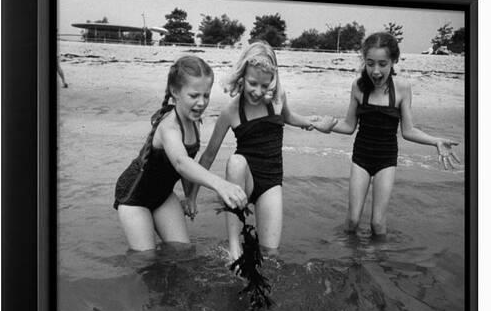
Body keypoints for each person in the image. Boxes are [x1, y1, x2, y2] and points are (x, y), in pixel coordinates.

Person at [186, 41, 336, 260]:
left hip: (270, 182)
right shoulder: (231, 111)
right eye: (252, 83)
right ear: (242, 76)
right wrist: (192, 196)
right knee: (236, 161)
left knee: (270, 253)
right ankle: (234, 249)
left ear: (272, 81)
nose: (257, 91)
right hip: (243, 180)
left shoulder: (277, 99)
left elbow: (289, 117)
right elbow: (209, 155)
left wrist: (314, 123)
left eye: (264, 86)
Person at [329, 32, 460, 237]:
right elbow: (348, 125)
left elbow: (408, 131)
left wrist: (435, 141)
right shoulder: (358, 87)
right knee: (353, 220)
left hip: (386, 160)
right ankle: (351, 262)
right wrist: (324, 124)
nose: (376, 71)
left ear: (394, 61)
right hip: (361, 158)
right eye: (370, 63)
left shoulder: (402, 88)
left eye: (383, 64)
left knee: (377, 224)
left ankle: (378, 265)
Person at [113, 56, 247, 251]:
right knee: (146, 259)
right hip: (134, 197)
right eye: (194, 96)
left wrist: (189, 196)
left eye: (206, 95)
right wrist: (220, 185)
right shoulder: (169, 127)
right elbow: (181, 163)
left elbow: (187, 167)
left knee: (183, 252)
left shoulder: (193, 121)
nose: (201, 103)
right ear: (175, 92)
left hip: (163, 195)